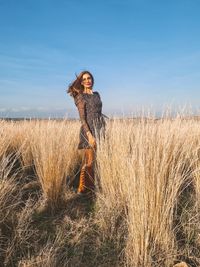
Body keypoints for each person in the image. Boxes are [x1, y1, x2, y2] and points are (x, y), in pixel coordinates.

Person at [67, 71, 106, 196]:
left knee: (95, 161)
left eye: (89, 78)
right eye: (84, 79)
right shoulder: (80, 96)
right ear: (81, 82)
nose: (87, 80)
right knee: (88, 161)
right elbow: (82, 118)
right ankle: (82, 189)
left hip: (100, 128)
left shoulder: (97, 94)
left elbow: (98, 111)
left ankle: (91, 187)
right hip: (88, 130)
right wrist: (89, 135)